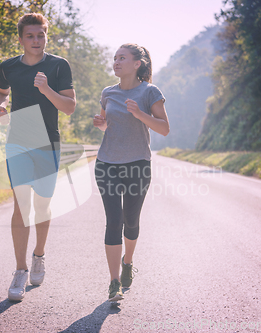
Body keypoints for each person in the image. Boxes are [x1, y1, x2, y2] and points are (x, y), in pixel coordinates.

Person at [0, 13, 76, 301]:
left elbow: (69, 107)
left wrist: (46, 89)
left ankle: (39, 254)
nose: (36, 41)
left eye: (40, 35)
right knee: (21, 207)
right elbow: (0, 93)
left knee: (42, 206)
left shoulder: (57, 66)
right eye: (30, 36)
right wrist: (1, 106)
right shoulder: (8, 67)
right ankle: (20, 270)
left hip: (48, 144)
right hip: (17, 142)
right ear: (20, 39)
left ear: (45, 36)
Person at [93, 43, 169, 301]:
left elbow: (164, 128)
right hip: (107, 163)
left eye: (122, 58)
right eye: (115, 58)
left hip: (137, 164)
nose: (116, 62)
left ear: (137, 64)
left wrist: (139, 114)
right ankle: (114, 282)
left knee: (131, 221)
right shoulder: (108, 93)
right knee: (113, 221)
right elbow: (107, 125)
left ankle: (128, 261)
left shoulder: (150, 92)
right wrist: (101, 124)